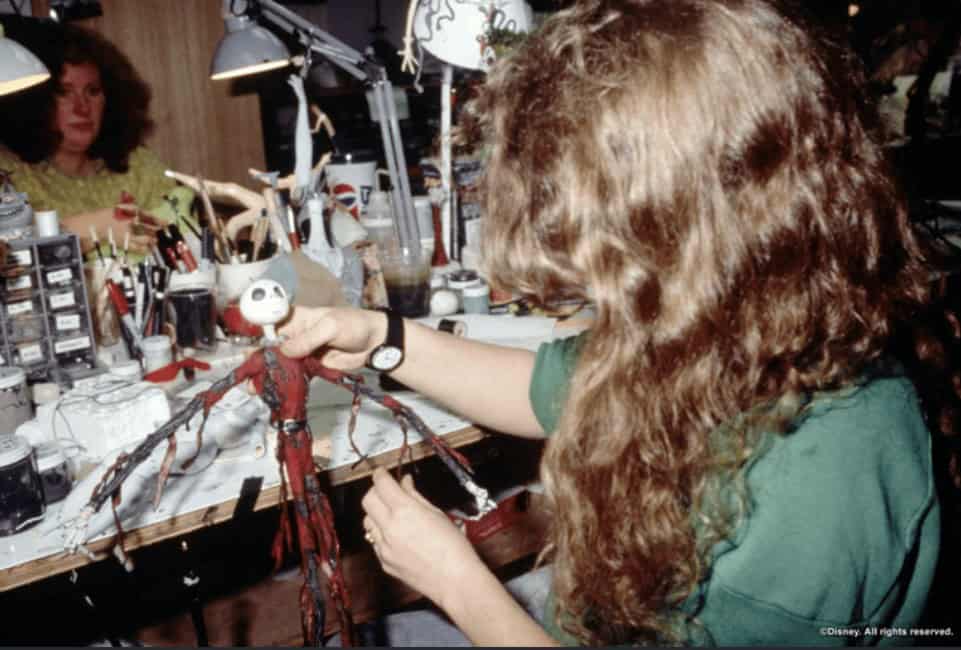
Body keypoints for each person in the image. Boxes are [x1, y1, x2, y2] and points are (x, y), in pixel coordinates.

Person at [279, 0, 960, 645]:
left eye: (605, 250)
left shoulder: (827, 470)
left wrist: (458, 583)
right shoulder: (720, 327)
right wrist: (385, 339)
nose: (585, 280)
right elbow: (548, 388)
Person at [0, 18, 191, 256]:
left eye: (92, 91)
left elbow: (186, 240)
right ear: (34, 100)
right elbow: (9, 250)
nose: (82, 108)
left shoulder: (139, 166)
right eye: (63, 92)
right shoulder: (9, 173)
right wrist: (99, 225)